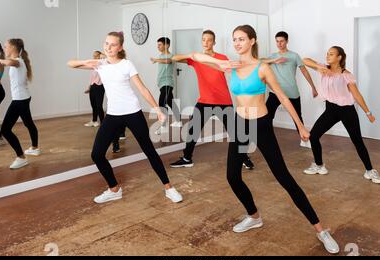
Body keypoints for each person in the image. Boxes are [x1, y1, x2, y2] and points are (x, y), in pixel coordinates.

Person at [189, 25, 340, 254]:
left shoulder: (262, 68)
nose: (237, 43)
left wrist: (300, 125)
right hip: (240, 123)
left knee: (284, 178)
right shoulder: (231, 66)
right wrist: (220, 63)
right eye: (234, 39)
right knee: (232, 176)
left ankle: (320, 230)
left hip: (260, 125)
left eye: (241, 39)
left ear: (252, 41)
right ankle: (254, 216)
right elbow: (194, 56)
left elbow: (282, 96)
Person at [68, 32, 183, 204]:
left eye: (113, 44)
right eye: (106, 43)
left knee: (149, 151)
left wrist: (157, 110)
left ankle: (169, 188)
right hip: (113, 115)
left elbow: (142, 89)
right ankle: (114, 189)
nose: (108, 47)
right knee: (97, 154)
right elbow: (70, 64)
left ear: (120, 47)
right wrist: (87, 62)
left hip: (133, 113)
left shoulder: (126, 64)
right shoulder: (100, 64)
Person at [170, 30, 254, 170]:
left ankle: (244, 157)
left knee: (234, 132)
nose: (206, 42)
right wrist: (190, 54)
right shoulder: (197, 58)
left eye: (209, 40)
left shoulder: (222, 57)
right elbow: (174, 58)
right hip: (204, 101)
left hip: (223, 101)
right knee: (193, 130)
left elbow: (232, 70)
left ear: (214, 42)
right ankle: (186, 158)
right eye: (204, 39)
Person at [303, 46, 380, 184]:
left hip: (347, 111)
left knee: (357, 140)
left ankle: (370, 171)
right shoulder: (323, 68)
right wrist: (318, 66)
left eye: (331, 54)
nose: (328, 56)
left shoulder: (346, 75)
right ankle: (319, 165)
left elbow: (357, 95)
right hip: (330, 110)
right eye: (327, 53)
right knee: (314, 136)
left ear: (339, 57)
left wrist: (368, 112)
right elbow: (304, 60)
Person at [262, 31, 317, 148]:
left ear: (287, 41)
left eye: (282, 41)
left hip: (292, 92)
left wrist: (313, 87)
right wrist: (274, 61)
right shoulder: (272, 56)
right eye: (277, 41)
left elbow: (304, 71)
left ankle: (305, 140)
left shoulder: (294, 56)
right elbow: (258, 61)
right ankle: (266, 139)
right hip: (275, 92)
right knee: (267, 116)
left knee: (297, 117)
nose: (279, 43)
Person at [0, 39, 41, 170]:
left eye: (6, 46)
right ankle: (35, 148)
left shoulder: (18, 61)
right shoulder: (20, 61)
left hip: (19, 100)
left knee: (5, 130)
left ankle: (21, 157)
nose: (4, 48)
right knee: (28, 123)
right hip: (23, 98)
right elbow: (10, 62)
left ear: (13, 47)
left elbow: (11, 62)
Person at [150, 37, 182, 135]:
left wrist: (156, 59)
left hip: (167, 83)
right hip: (162, 83)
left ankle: (163, 127)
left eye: (160, 44)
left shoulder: (171, 56)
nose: (158, 46)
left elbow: (168, 61)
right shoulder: (161, 56)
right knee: (170, 102)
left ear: (167, 45)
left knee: (162, 104)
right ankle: (178, 121)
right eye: (158, 45)